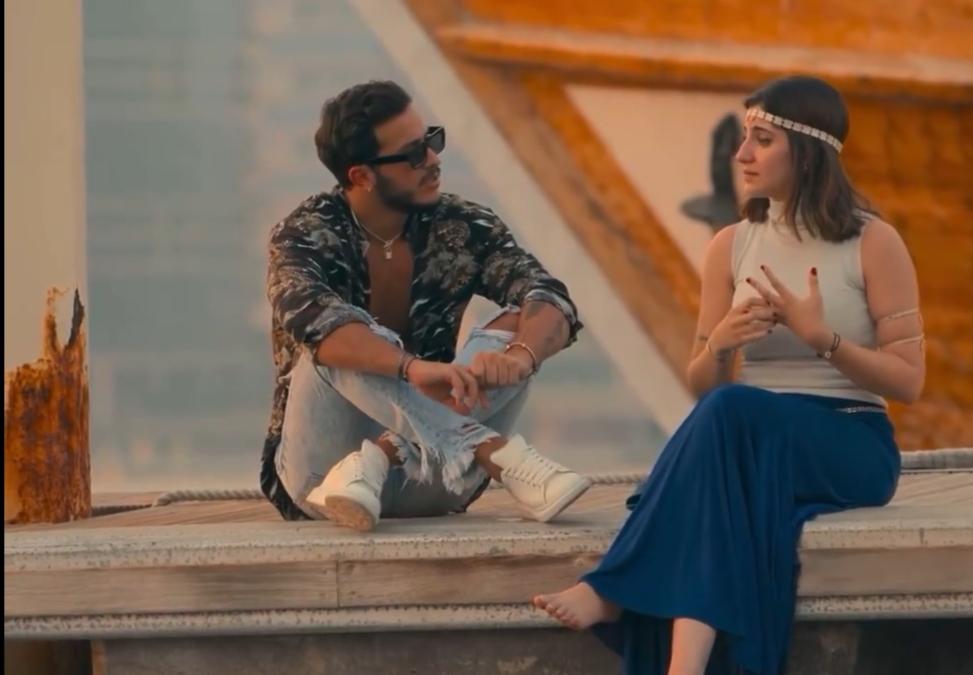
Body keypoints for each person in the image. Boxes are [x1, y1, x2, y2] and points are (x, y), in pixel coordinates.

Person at [534, 75, 926, 674]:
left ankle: (611, 588)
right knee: (722, 435)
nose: (742, 154)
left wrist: (823, 340)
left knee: (727, 416)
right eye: (744, 137)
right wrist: (721, 346)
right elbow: (704, 385)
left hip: (848, 438)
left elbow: (908, 381)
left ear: (807, 152)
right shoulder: (731, 245)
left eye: (762, 140)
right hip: (744, 437)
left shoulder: (872, 241)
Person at [260, 80, 591, 532]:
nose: (433, 160)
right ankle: (493, 452)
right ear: (362, 176)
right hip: (325, 481)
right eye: (413, 154)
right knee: (335, 338)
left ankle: (381, 455)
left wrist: (520, 356)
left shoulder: (463, 225)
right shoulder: (304, 235)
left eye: (431, 141)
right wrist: (412, 368)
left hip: (439, 476)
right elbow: (317, 323)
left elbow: (551, 297)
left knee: (524, 321)